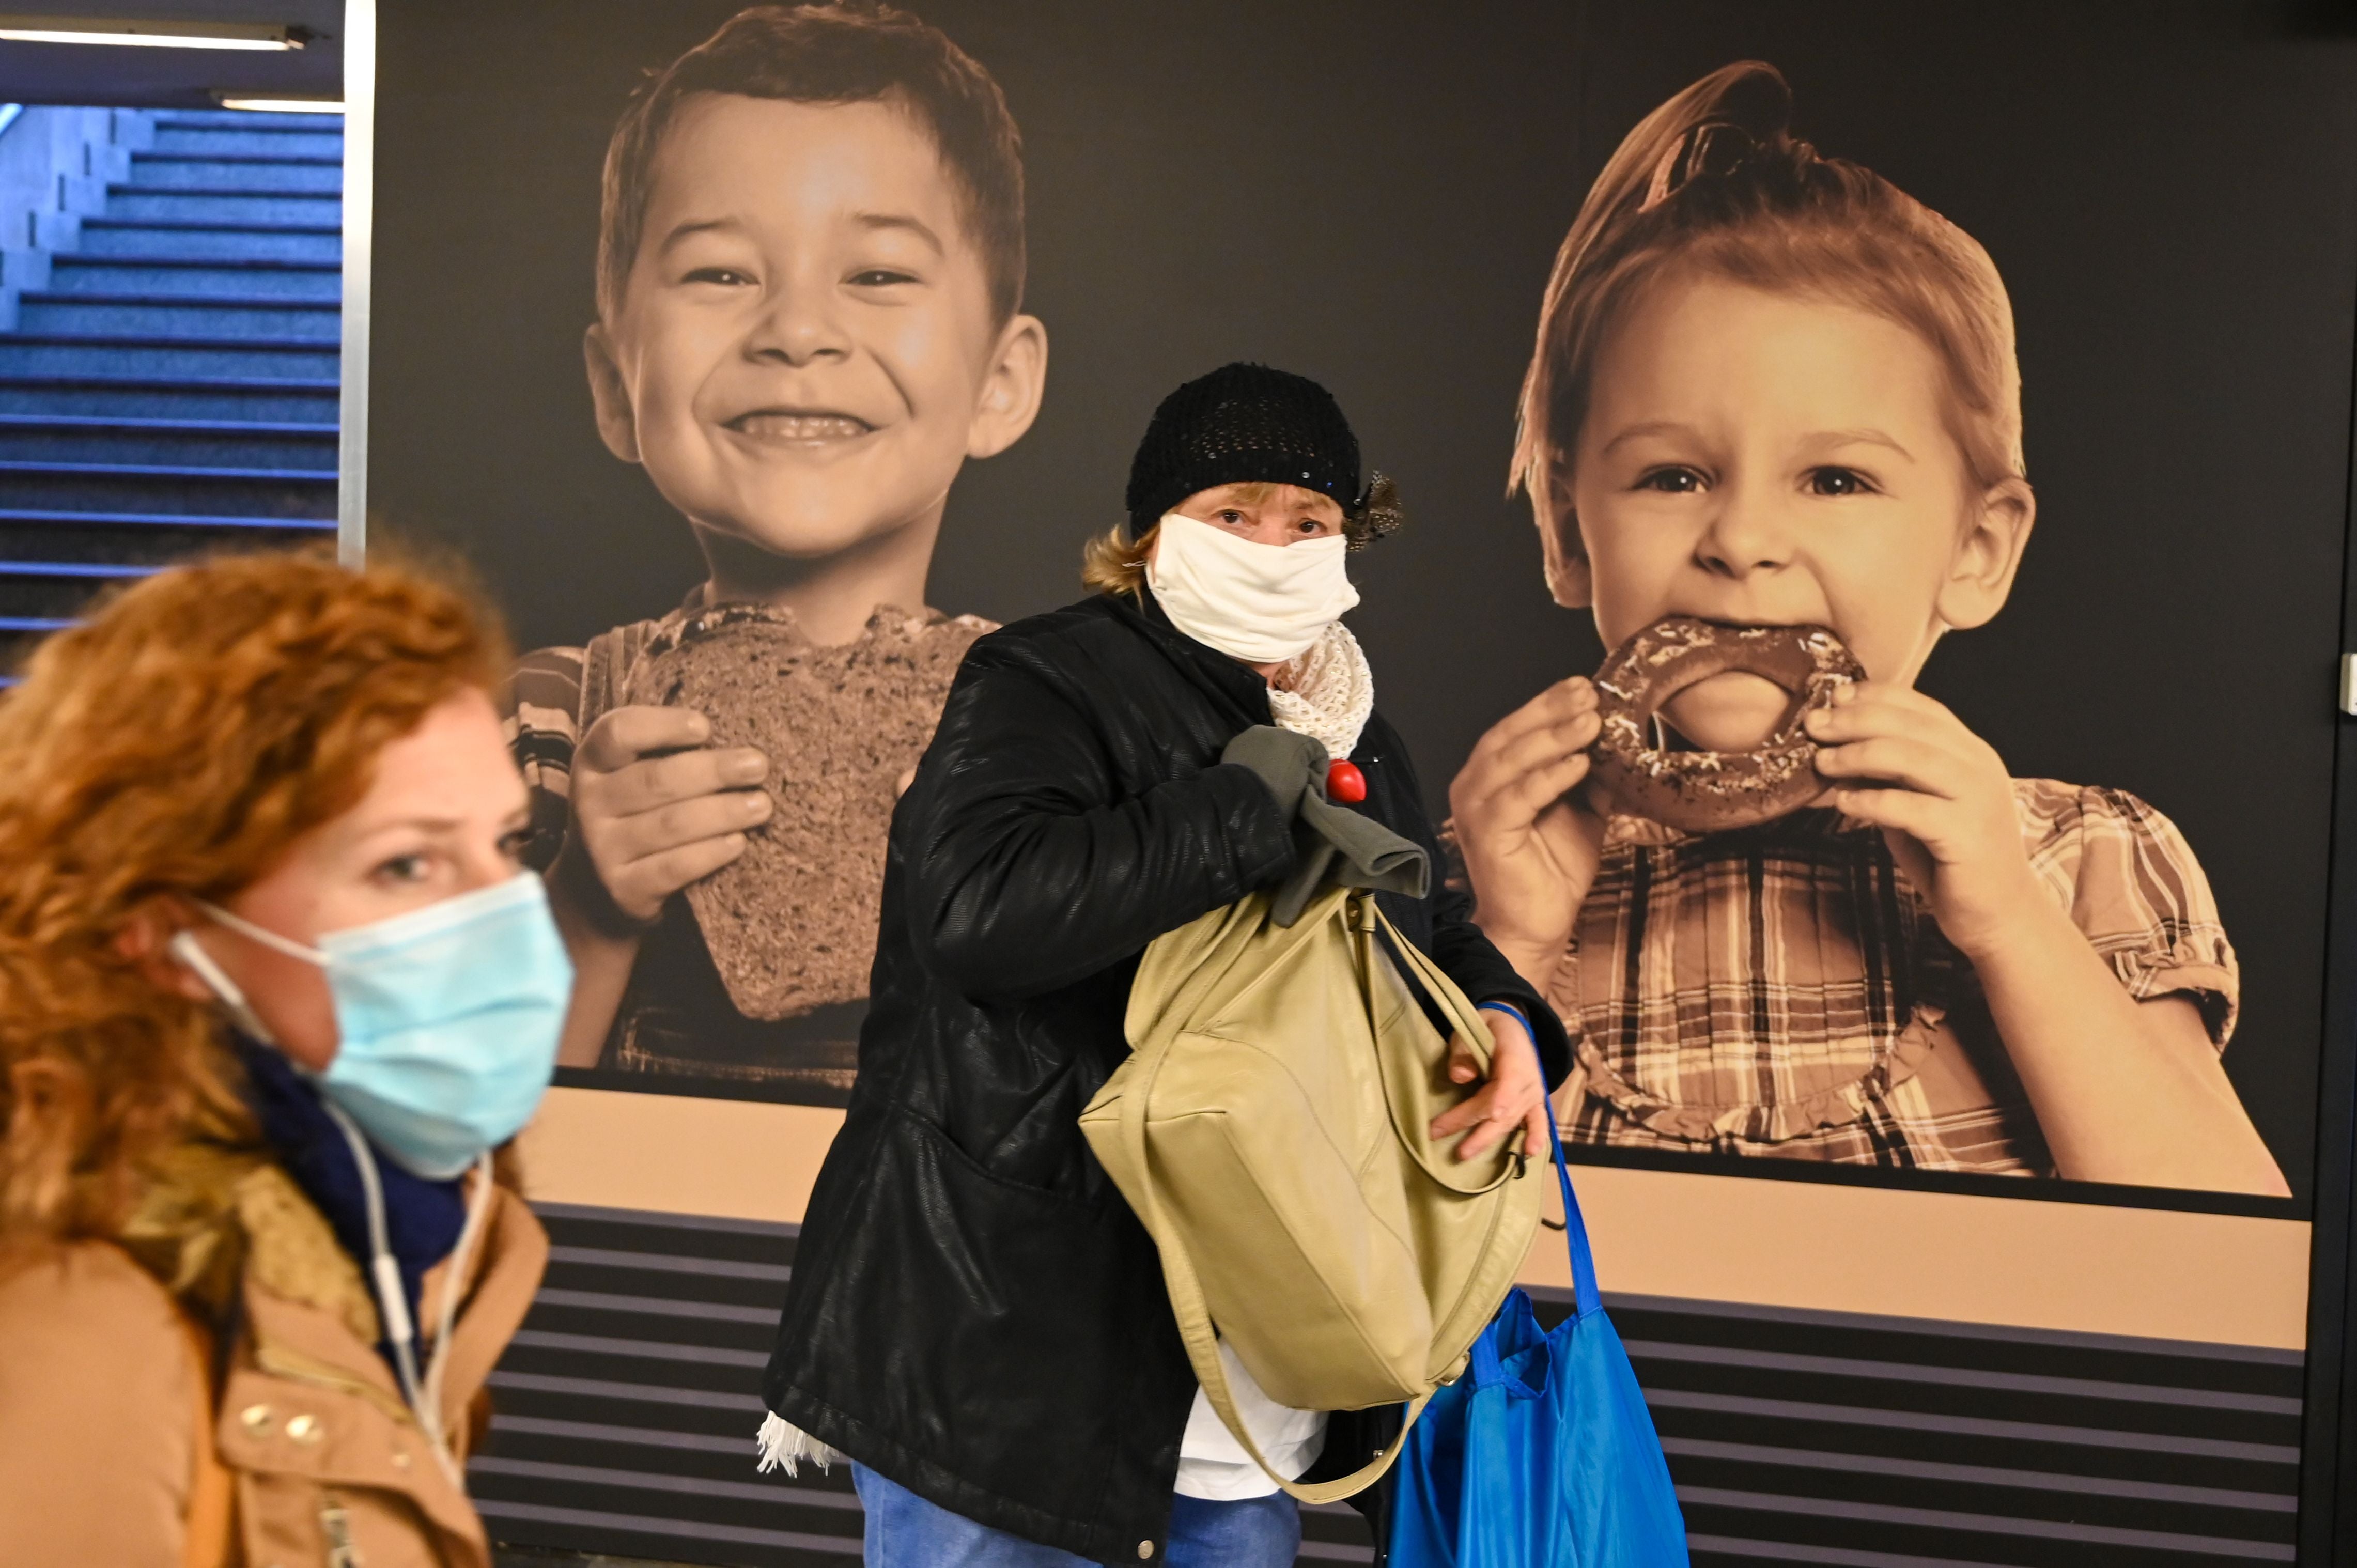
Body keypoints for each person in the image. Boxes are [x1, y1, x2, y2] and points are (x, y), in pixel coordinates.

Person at [757, 363, 1573, 1565]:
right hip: (1008, 1357)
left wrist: (1508, 1017)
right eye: (1234, 513)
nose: (1273, 545)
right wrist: (1248, 800)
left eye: (1311, 523)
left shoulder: (1354, 725)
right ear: (1149, 537)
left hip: (1247, 1380)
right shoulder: (1043, 680)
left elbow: (1415, 929)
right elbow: (980, 915)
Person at [1450, 62, 2286, 1194]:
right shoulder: (1466, 881)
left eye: (1835, 480)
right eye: (1672, 475)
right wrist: (1508, 950)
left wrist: (2008, 926)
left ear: (1976, 551)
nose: (1740, 538)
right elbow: (1356, 1285)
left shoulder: (2079, 857)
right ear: (1565, 529)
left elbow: (2215, 1273)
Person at [506, 1, 1048, 1096]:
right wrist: (585, 910)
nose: (797, 331)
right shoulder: (544, 725)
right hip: (647, 1272)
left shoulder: (1073, 735)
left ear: (1003, 383)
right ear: (617, 389)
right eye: (720, 274)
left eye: (878, 275)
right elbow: (451, 1161)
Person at [0, 553, 570, 1565]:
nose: (502, 910)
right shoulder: (78, 1331)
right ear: (163, 931)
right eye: (406, 863)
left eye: (508, 844)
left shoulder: (405, 1246)